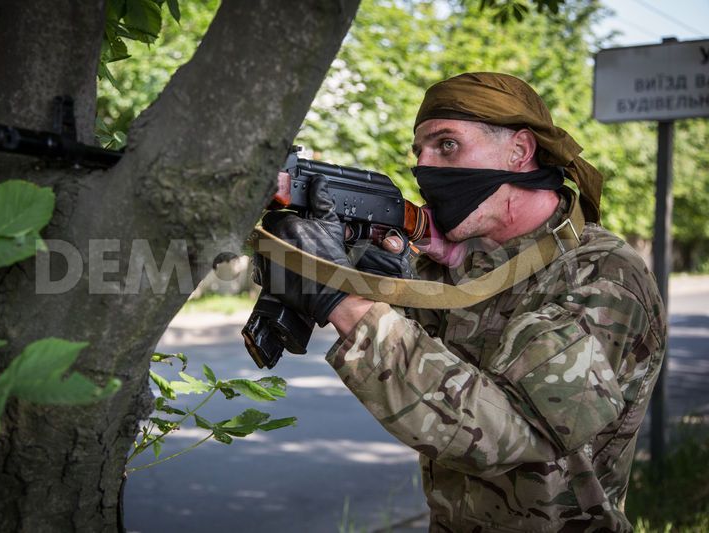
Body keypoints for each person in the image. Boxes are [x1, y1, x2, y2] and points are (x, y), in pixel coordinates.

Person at [255, 72, 665, 532]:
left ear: (520, 150)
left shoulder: (604, 274)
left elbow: (503, 434)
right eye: (419, 152)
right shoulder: (459, 268)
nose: (423, 168)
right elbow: (428, 384)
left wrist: (342, 298)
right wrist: (378, 275)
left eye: (446, 145)